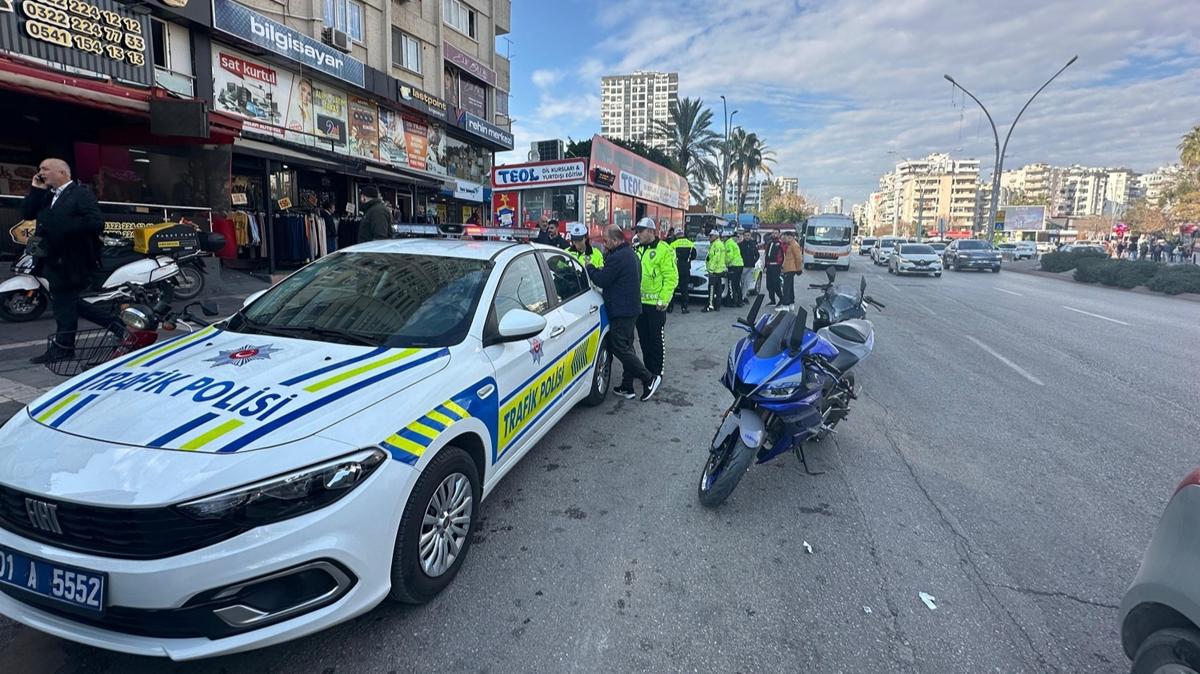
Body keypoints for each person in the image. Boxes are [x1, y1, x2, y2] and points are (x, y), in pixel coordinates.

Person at [22, 158, 108, 363]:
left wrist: (61, 226)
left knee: (63, 305)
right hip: (50, 257)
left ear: (62, 172)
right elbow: (27, 213)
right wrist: (36, 189)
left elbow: (96, 222)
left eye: (45, 169)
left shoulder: (80, 194)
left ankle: (63, 348)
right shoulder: (45, 195)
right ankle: (118, 326)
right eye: (39, 168)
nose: (40, 172)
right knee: (67, 302)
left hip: (72, 259)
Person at [586, 225, 660, 401]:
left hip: (622, 310)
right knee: (627, 346)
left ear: (615, 240)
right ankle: (627, 387)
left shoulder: (618, 257)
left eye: (606, 240)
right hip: (631, 308)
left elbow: (602, 279)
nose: (604, 244)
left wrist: (589, 268)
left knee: (619, 347)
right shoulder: (630, 254)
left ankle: (648, 378)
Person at [632, 218, 677, 381]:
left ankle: (657, 373)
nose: (637, 234)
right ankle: (647, 371)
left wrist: (663, 300)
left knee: (656, 340)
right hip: (639, 304)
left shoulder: (664, 249)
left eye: (640, 231)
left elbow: (671, 277)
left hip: (656, 306)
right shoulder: (637, 249)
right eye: (637, 231)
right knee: (643, 339)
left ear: (651, 231)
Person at [667, 228, 695, 314]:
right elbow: (694, 256)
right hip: (686, 269)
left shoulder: (673, 244)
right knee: (684, 289)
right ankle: (684, 308)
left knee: (672, 289)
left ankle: (670, 307)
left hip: (675, 269)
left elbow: (669, 257)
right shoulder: (691, 244)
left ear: (676, 235)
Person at [703, 229, 726, 312]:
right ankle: (717, 306)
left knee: (712, 289)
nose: (709, 237)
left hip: (715, 271)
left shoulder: (716, 245)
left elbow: (716, 258)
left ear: (716, 236)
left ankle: (710, 306)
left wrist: (711, 270)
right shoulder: (717, 244)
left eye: (711, 236)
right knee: (718, 289)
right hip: (719, 271)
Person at [780, 230, 804, 307]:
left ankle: (786, 304)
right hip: (789, 268)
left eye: (785, 237)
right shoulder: (790, 244)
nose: (784, 239)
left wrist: (798, 269)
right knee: (790, 286)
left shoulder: (794, 245)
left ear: (789, 237)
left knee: (786, 287)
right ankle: (791, 302)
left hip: (791, 268)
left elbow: (798, 258)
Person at [723, 230, 744, 307]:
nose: (722, 239)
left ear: (726, 237)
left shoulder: (728, 244)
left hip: (733, 266)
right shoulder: (733, 243)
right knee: (737, 284)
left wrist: (725, 263)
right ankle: (740, 301)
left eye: (723, 237)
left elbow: (730, 256)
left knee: (731, 284)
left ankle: (732, 302)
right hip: (739, 265)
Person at [763, 231, 784, 305]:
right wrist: (765, 266)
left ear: (779, 234)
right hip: (769, 266)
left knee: (776, 285)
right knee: (769, 285)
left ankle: (782, 299)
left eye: (776, 233)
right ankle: (772, 300)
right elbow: (766, 255)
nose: (774, 234)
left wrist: (781, 266)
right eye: (773, 233)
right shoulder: (769, 243)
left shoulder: (781, 244)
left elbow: (783, 256)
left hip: (776, 266)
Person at [738, 231, 760, 301]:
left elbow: (757, 254)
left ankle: (742, 297)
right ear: (743, 236)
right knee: (742, 282)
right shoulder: (740, 245)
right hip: (742, 267)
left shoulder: (753, 244)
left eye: (748, 235)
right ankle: (741, 295)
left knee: (747, 282)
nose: (747, 237)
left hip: (751, 267)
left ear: (750, 236)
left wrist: (754, 261)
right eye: (745, 235)